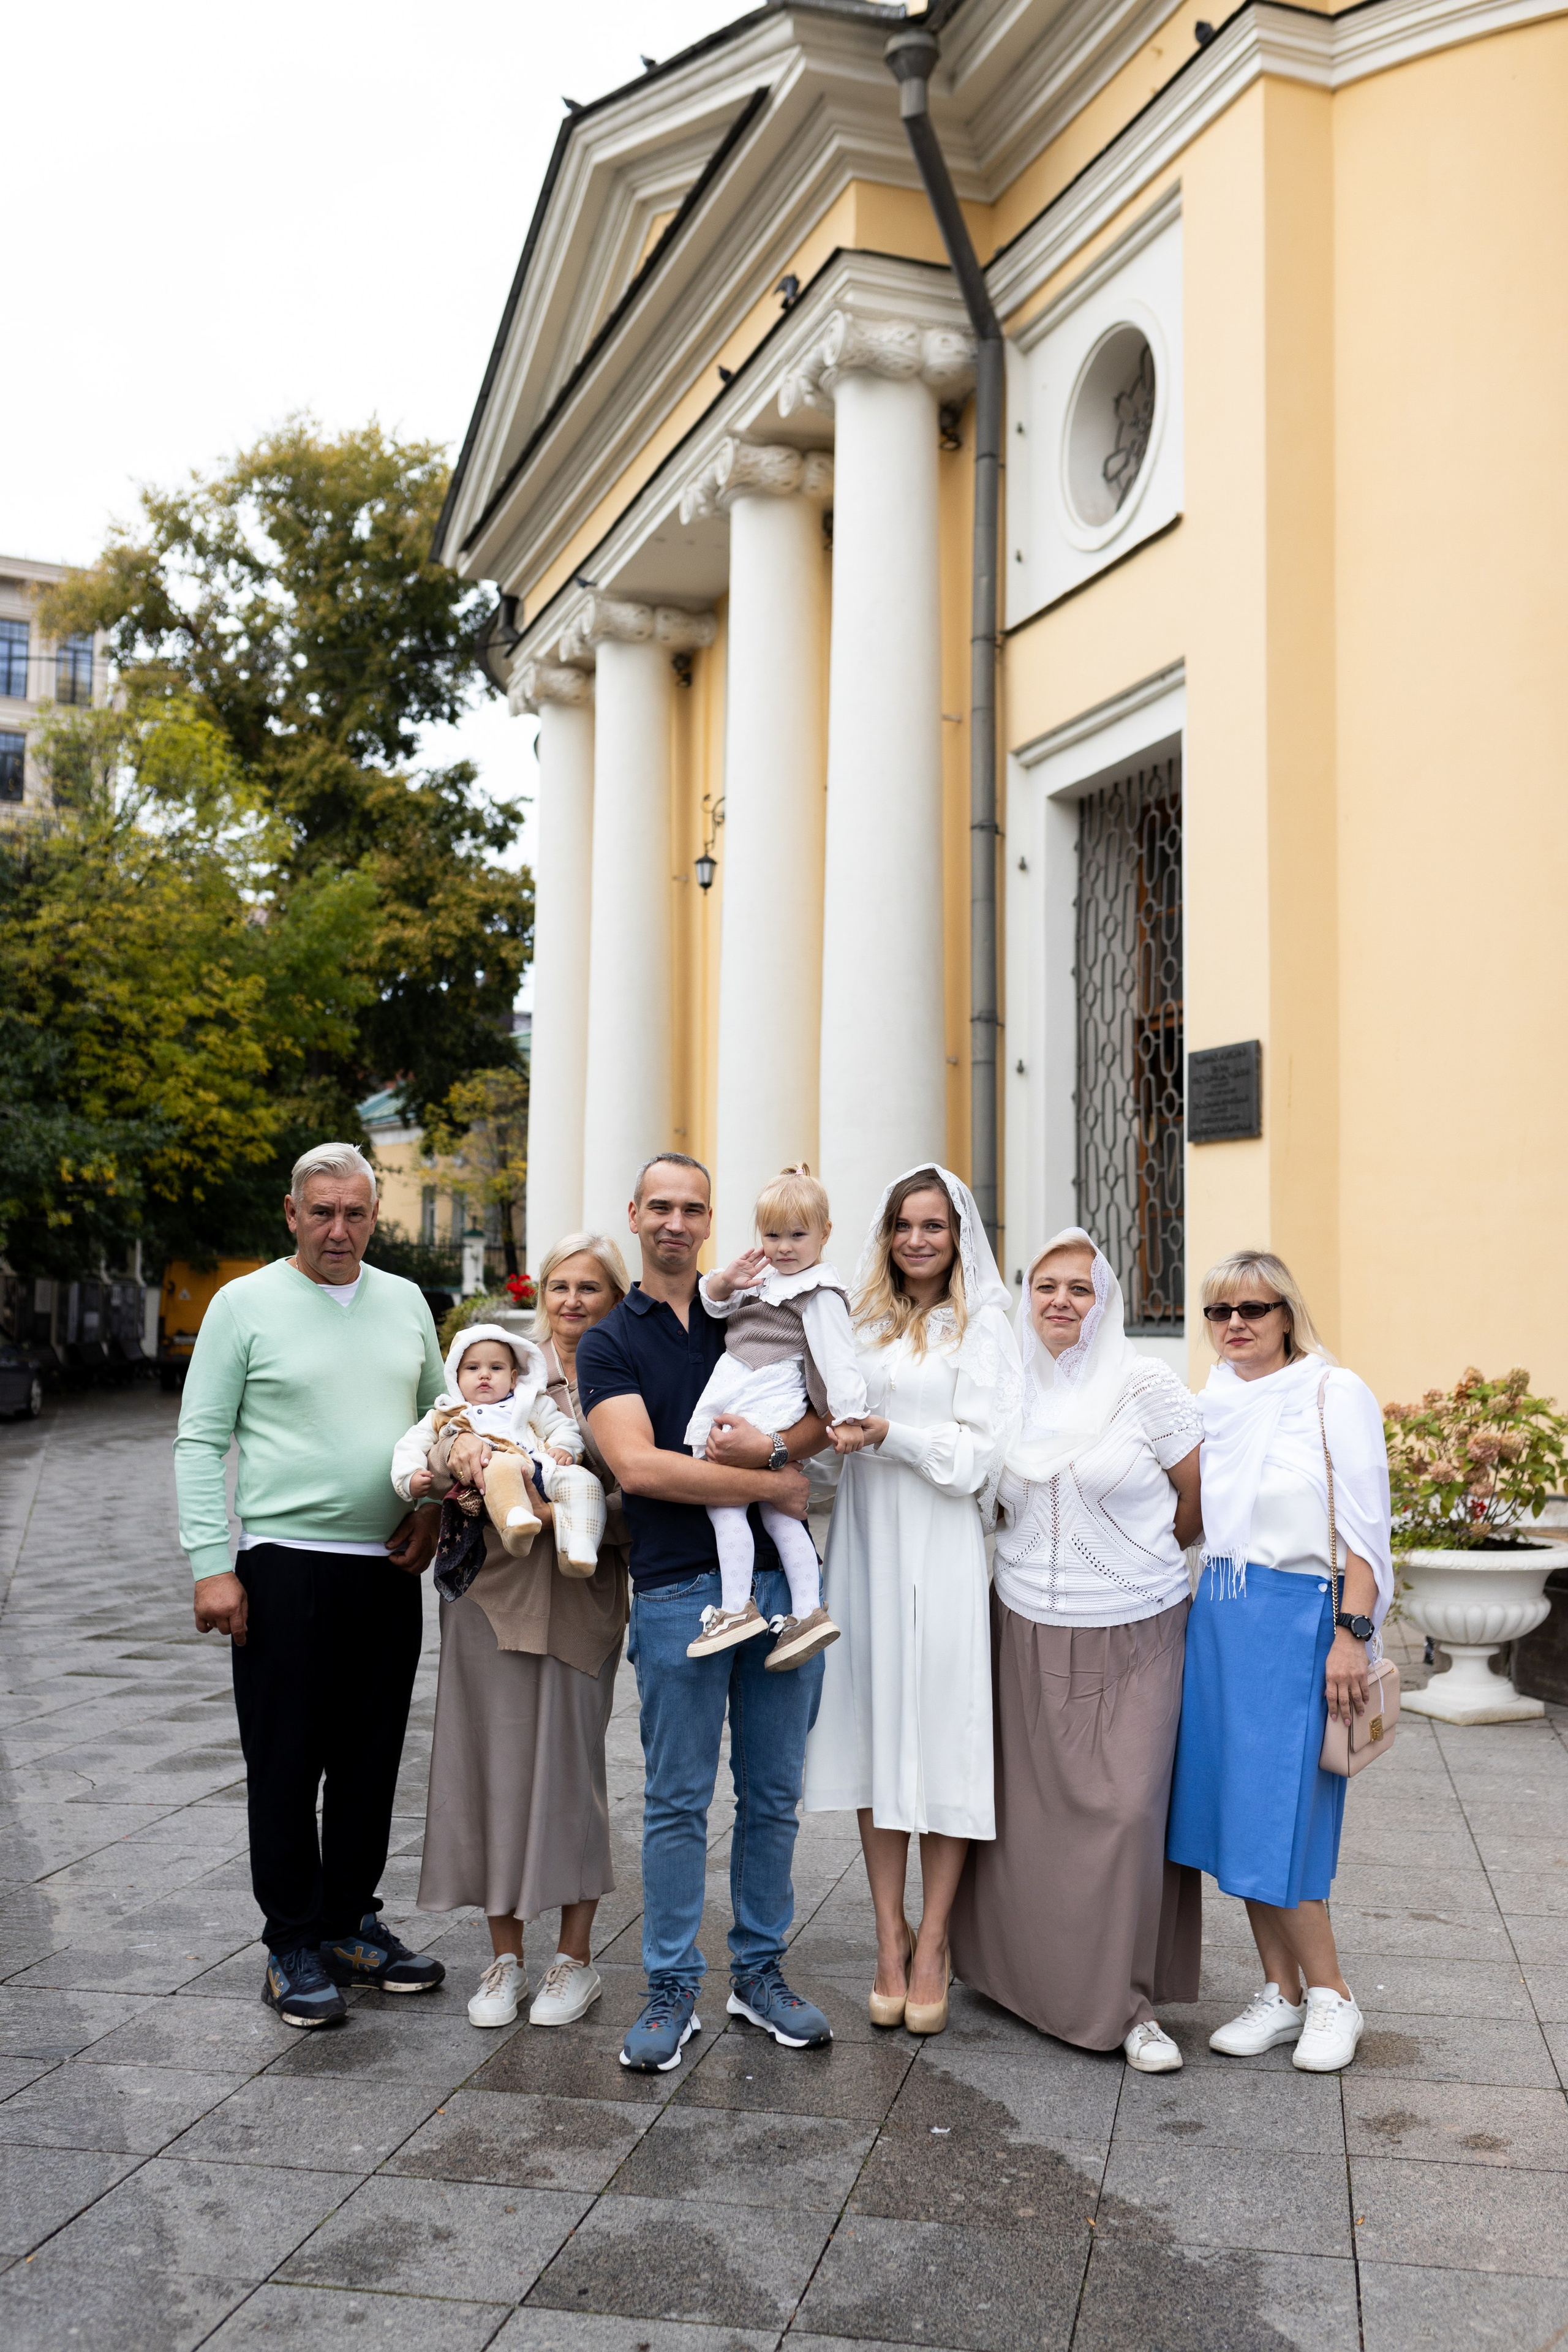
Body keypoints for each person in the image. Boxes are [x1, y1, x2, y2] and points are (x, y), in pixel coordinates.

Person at [174, 1142, 447, 2030]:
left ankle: (347, 1925)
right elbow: (198, 1441)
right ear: (291, 1213)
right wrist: (212, 1564)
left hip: (385, 1567)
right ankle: (291, 1942)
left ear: (374, 1216)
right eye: (321, 1212)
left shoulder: (405, 1301)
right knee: (287, 1762)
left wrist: (433, 1511)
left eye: (354, 1213)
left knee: (370, 1762)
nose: (339, 1229)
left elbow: (443, 1419)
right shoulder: (242, 1304)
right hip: (284, 1565)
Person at [576, 1152, 835, 2073]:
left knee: (772, 1797)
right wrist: (772, 1479)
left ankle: (758, 1974)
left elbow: (821, 1413)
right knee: (678, 1800)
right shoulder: (610, 1340)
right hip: (678, 1592)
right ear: (635, 1215)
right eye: (661, 1207)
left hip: (781, 1590)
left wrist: (780, 1454)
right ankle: (671, 1985)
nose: (676, 1222)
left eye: (693, 1208)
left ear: (710, 1219)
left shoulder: (759, 1308)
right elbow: (639, 1467)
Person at [948, 1229, 1204, 2072]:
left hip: (1137, 1626)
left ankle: (1128, 2006)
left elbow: (1196, 1494)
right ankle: (1016, 1979)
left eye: (1081, 1288)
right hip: (1023, 1623)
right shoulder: (1006, 1387)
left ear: (1107, 1301)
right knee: (1027, 1817)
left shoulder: (1145, 1384)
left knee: (1127, 1813)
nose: (1061, 1301)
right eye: (1046, 1286)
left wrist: (1148, 1558)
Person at [802, 1164, 1021, 2038]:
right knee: (876, 1727)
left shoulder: (986, 1324)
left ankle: (934, 1942)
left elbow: (978, 1459)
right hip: (865, 1545)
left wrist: (891, 1433)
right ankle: (887, 1935)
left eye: (934, 1225)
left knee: (945, 1734)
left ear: (959, 1236)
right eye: (904, 1225)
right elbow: (828, 1448)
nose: (917, 1240)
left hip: (941, 1543)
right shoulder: (859, 1321)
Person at [1166, 1250, 1393, 2074]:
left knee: (1281, 1816)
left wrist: (1350, 1635)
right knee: (1233, 1813)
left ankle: (1333, 1997)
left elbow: (1365, 1531)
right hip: (1222, 1618)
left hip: (1302, 1621)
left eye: (1253, 1309)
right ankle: (1282, 1992)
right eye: (1219, 1311)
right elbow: (1191, 1521)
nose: (1235, 1325)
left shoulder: (1333, 1393)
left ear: (1287, 1315)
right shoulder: (1212, 1404)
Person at [418, 1237, 633, 2032]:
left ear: (616, 1298)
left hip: (579, 1597)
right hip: (489, 1595)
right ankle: (504, 1956)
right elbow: (437, 1434)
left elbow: (648, 1494)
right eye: (559, 1286)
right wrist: (453, 1457)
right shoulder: (502, 1366)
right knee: (489, 1771)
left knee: (571, 1774)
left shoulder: (627, 1377)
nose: (572, 1301)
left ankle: (574, 1959)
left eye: (590, 1288)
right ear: (541, 1294)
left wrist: (559, 1510)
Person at [682, 1164, 865, 1669]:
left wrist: (849, 1416)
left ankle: (736, 1607)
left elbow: (839, 1360)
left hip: (768, 1392)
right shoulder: (763, 1279)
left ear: (826, 1233)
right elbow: (715, 1307)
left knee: (724, 1499)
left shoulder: (820, 1292)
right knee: (778, 1511)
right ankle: (808, 1611)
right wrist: (726, 1281)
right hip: (747, 1386)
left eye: (797, 1236)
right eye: (772, 1235)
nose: (784, 1248)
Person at [392, 1322, 606, 1570]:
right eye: (473, 1368)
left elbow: (563, 1426)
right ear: (455, 1377)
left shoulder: (532, 1403)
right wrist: (409, 1476)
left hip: (543, 1469)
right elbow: (411, 1443)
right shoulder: (448, 1413)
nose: (485, 1375)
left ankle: (580, 1547)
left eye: (496, 1368)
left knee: (585, 1481)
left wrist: (565, 1448)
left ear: (513, 1378)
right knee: (500, 1465)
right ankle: (515, 1524)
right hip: (495, 1474)